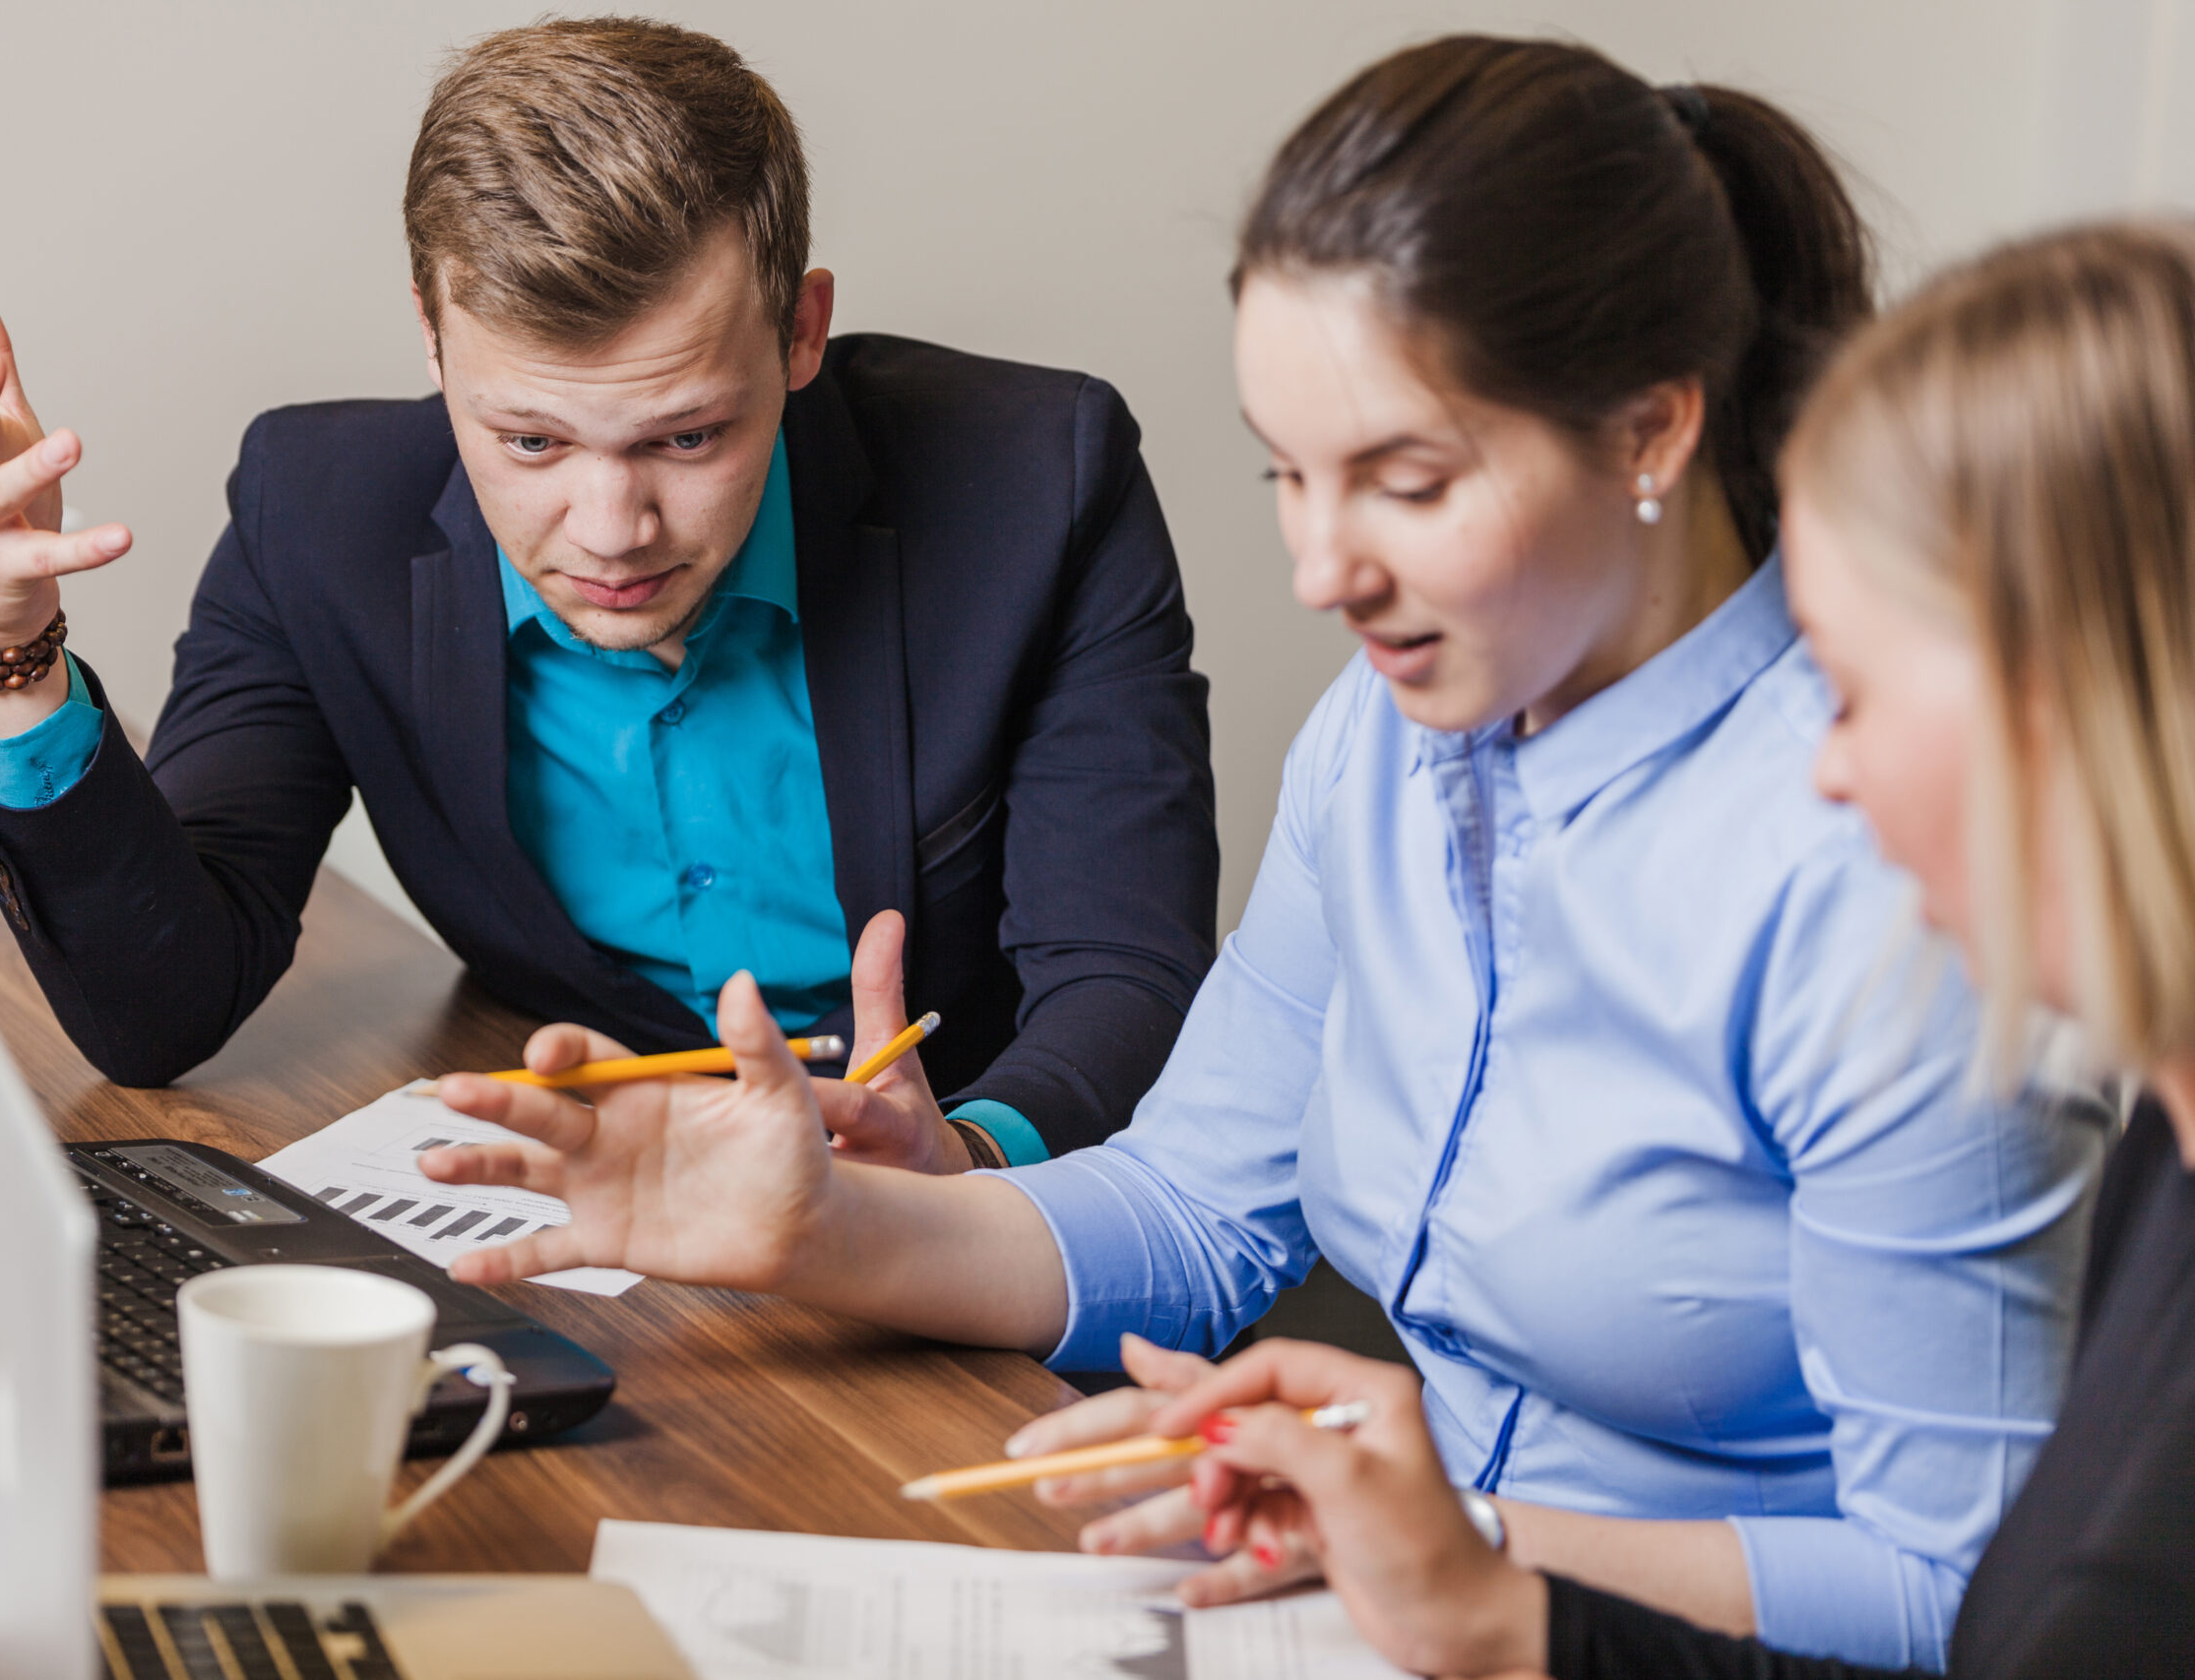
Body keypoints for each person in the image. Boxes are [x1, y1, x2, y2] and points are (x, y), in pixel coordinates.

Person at [415, 36, 2103, 1670]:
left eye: (1407, 482)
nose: (1320, 567)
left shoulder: (1892, 870)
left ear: (1651, 432)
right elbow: (1198, 1208)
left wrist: (1470, 1543)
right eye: (1290, 475)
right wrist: (821, 1230)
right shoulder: (1393, 739)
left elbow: (1971, 1595)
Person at [1138, 219, 2195, 1680]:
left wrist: (1492, 1574)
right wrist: (1479, 1574)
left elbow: (1974, 1609)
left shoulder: (1899, 974)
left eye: (1860, 682)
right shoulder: (2169, 1159)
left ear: (2087, 703)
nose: (1823, 769)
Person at [0, 19, 1220, 1172]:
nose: (612, 532)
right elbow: (158, 1012)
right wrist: (8, 655)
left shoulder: (1035, 482)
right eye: (531, 442)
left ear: (802, 332)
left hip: (983, 1247)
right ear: (432, 337)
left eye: (689, 436)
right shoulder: (317, 516)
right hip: (602, 1205)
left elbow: (1123, 975)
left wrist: (962, 1166)